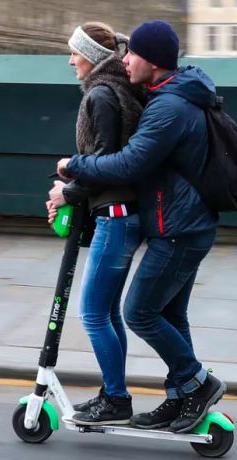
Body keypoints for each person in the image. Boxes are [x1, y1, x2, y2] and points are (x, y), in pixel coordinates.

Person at [56, 20, 226, 434]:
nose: (124, 58)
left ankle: (195, 384)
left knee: (135, 312)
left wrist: (71, 172)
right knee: (169, 313)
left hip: (178, 227)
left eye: (132, 54)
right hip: (183, 222)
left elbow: (126, 163)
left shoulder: (167, 106)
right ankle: (180, 396)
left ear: (150, 61)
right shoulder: (166, 95)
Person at [45, 22, 145, 426]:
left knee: (92, 314)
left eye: (75, 53)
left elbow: (105, 163)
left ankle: (116, 398)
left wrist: (67, 193)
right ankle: (113, 393)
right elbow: (104, 159)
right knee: (108, 313)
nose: (71, 60)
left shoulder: (102, 95)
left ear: (91, 55)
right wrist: (71, 182)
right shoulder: (118, 89)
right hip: (123, 214)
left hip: (116, 217)